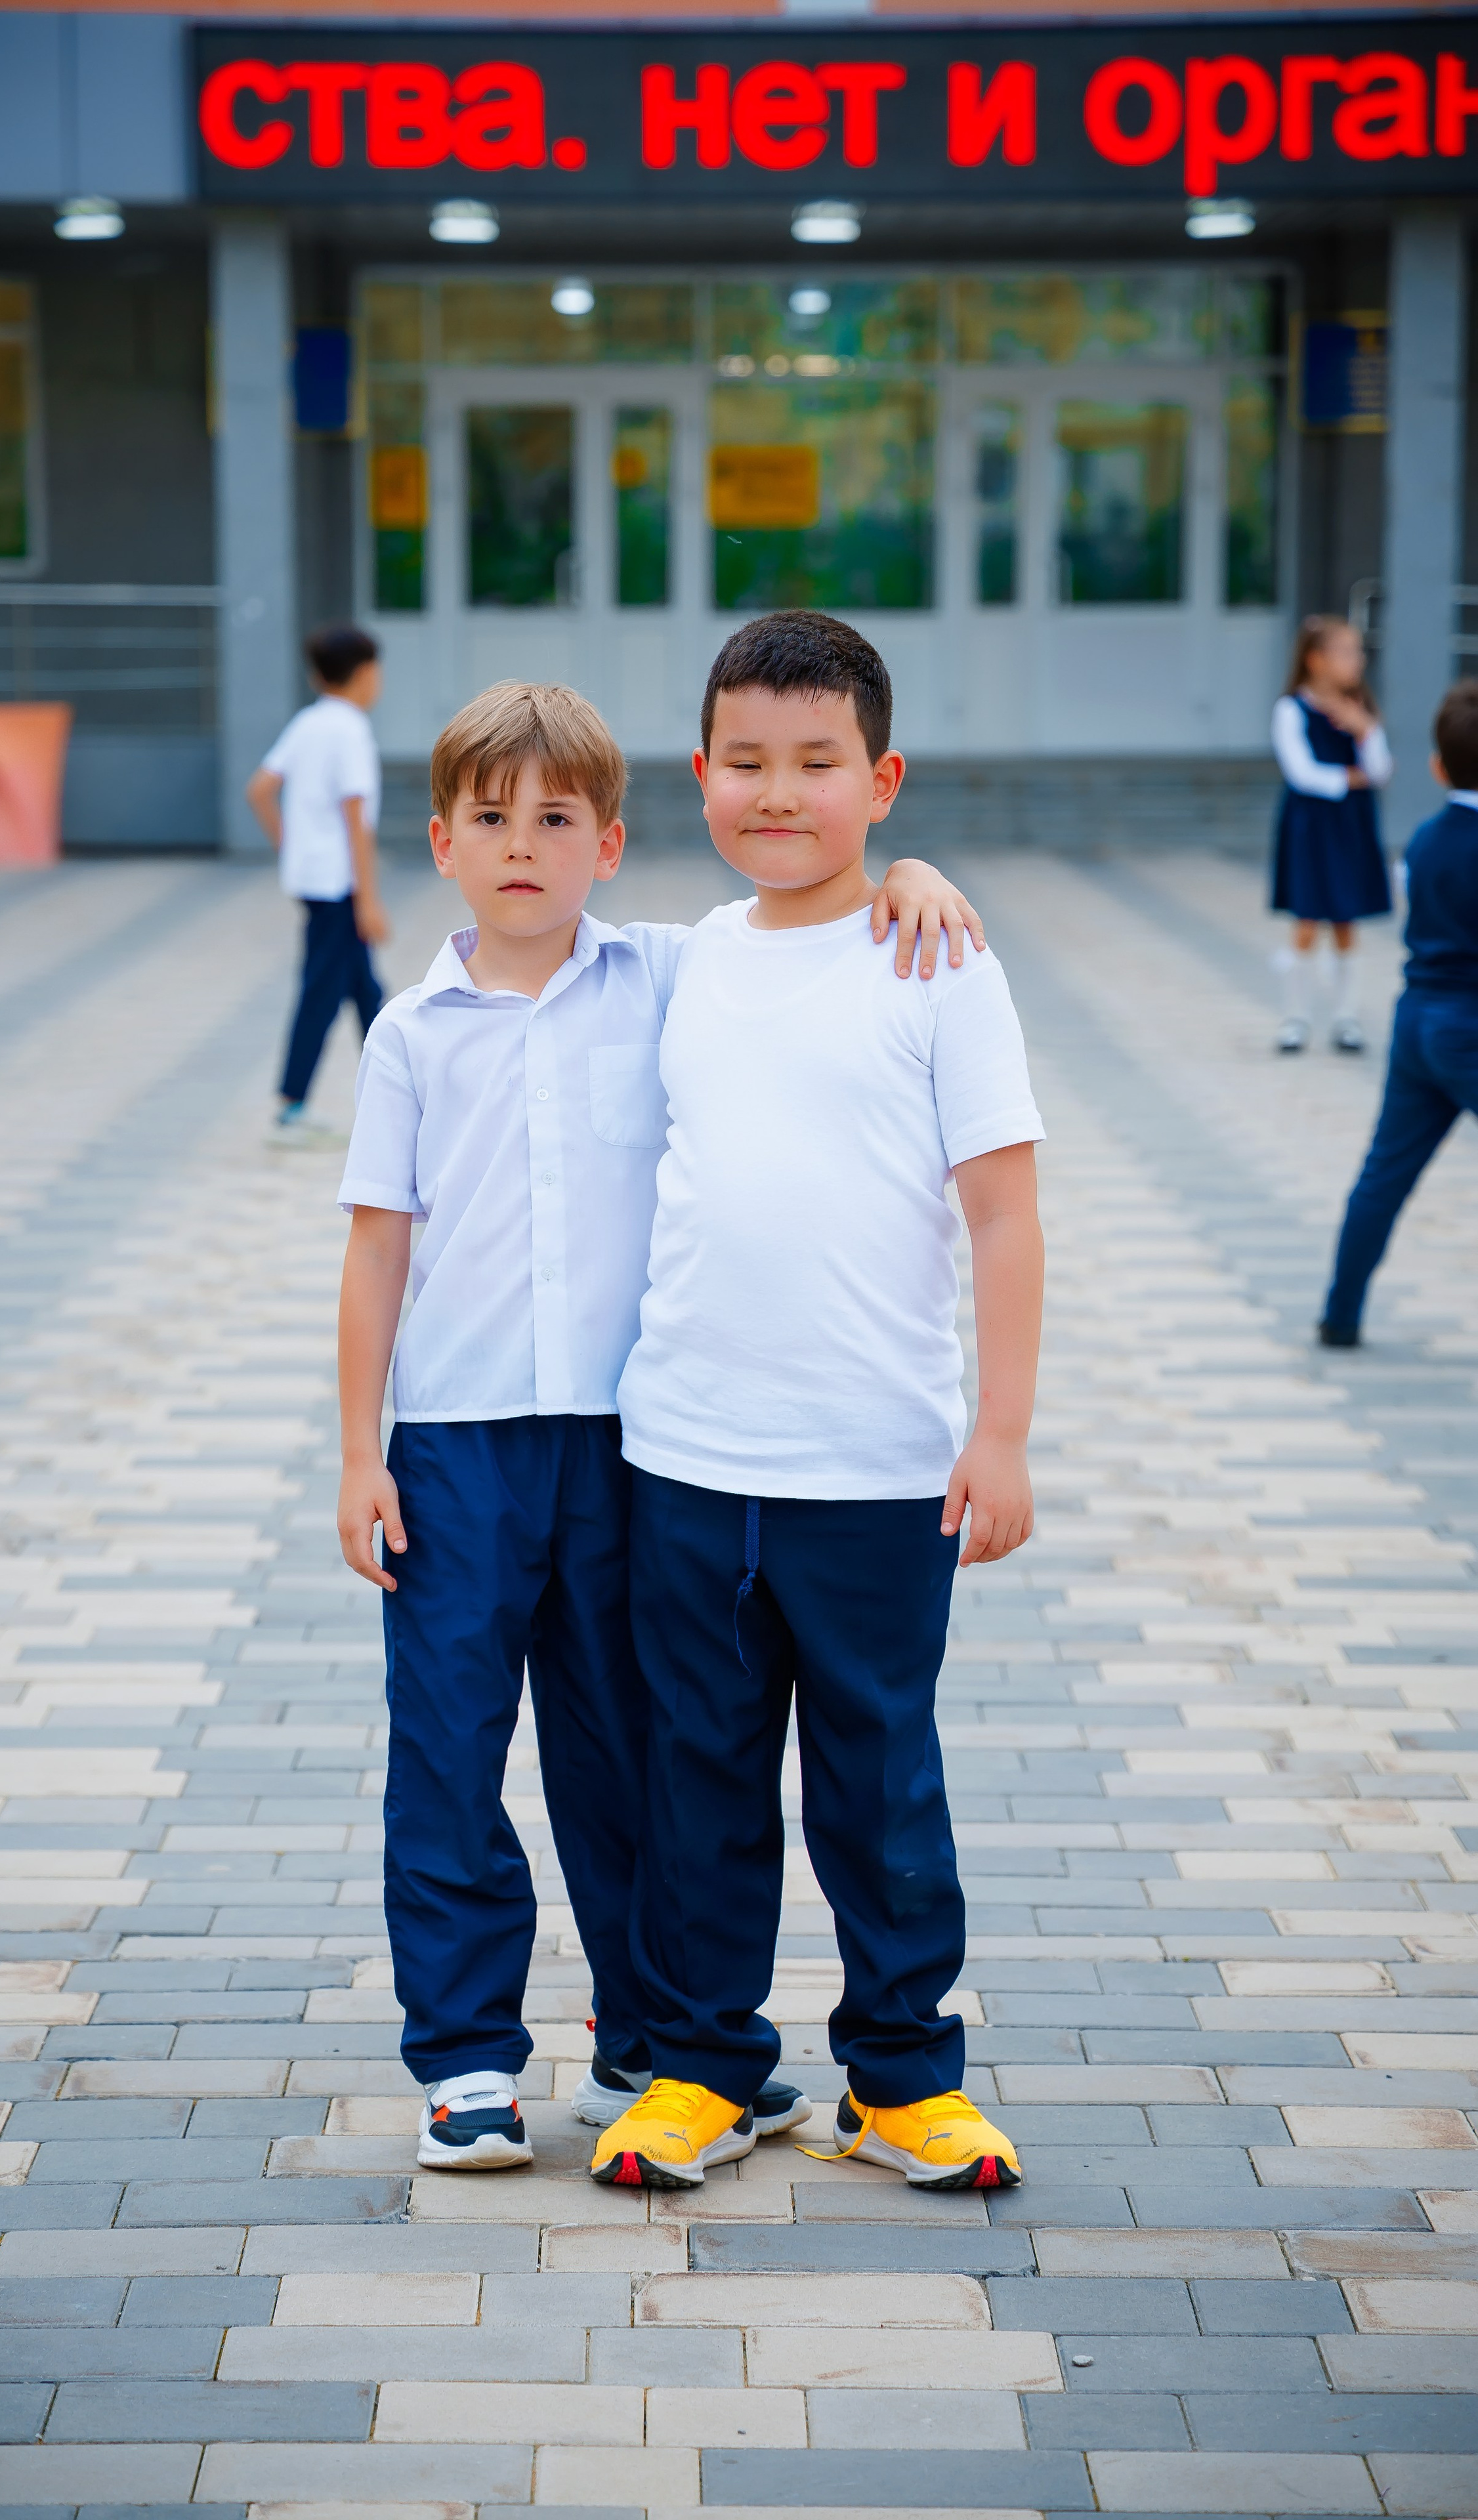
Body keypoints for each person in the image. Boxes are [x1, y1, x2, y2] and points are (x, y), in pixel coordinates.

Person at [333, 677, 984, 2172]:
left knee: (624, 1750)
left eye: (554, 819)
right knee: (445, 1744)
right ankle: (465, 2058)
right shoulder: (409, 1037)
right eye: (489, 821)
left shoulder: (667, 975)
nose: (521, 847)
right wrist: (357, 1450)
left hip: (628, 1448)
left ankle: (653, 2033)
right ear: (439, 840)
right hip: (456, 1444)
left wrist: (911, 869)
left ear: (610, 843)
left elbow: (807, 899)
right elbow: (375, 1248)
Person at [593, 610, 1044, 2195]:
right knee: (696, 1776)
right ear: (696, 776)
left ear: (881, 778)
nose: (774, 793)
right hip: (687, 1459)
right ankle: (705, 2065)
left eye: (815, 764)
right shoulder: (677, 964)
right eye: (742, 762)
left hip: (874, 1468)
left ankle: (903, 2076)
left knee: (876, 1778)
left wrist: (998, 1430)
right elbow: (522, 943)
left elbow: (1001, 1211)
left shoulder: (935, 960)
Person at [1319, 680, 1478, 1348]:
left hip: (1415, 1019)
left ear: (1437, 766)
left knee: (1383, 1175)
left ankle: (1340, 1314)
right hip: (1468, 1025)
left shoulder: (1422, 839)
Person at [247, 623, 391, 1146]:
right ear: (366, 673)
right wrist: (370, 900)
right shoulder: (350, 730)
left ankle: (404, 1101)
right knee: (323, 992)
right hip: (340, 886)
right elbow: (358, 820)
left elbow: (260, 790)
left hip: (312, 879)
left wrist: (292, 847)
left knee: (367, 993)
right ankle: (291, 1106)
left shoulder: (308, 723)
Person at [1271, 614, 1393, 1057]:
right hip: (1311, 826)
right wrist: (1353, 779)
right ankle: (1295, 1017)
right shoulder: (1291, 709)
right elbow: (1303, 774)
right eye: (1346, 651)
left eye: (1357, 652)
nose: (1356, 660)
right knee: (1306, 921)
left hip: (1350, 827)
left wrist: (1365, 730)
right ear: (1316, 660)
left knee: (1346, 921)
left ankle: (1346, 1017)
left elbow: (1381, 769)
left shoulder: (1359, 710)